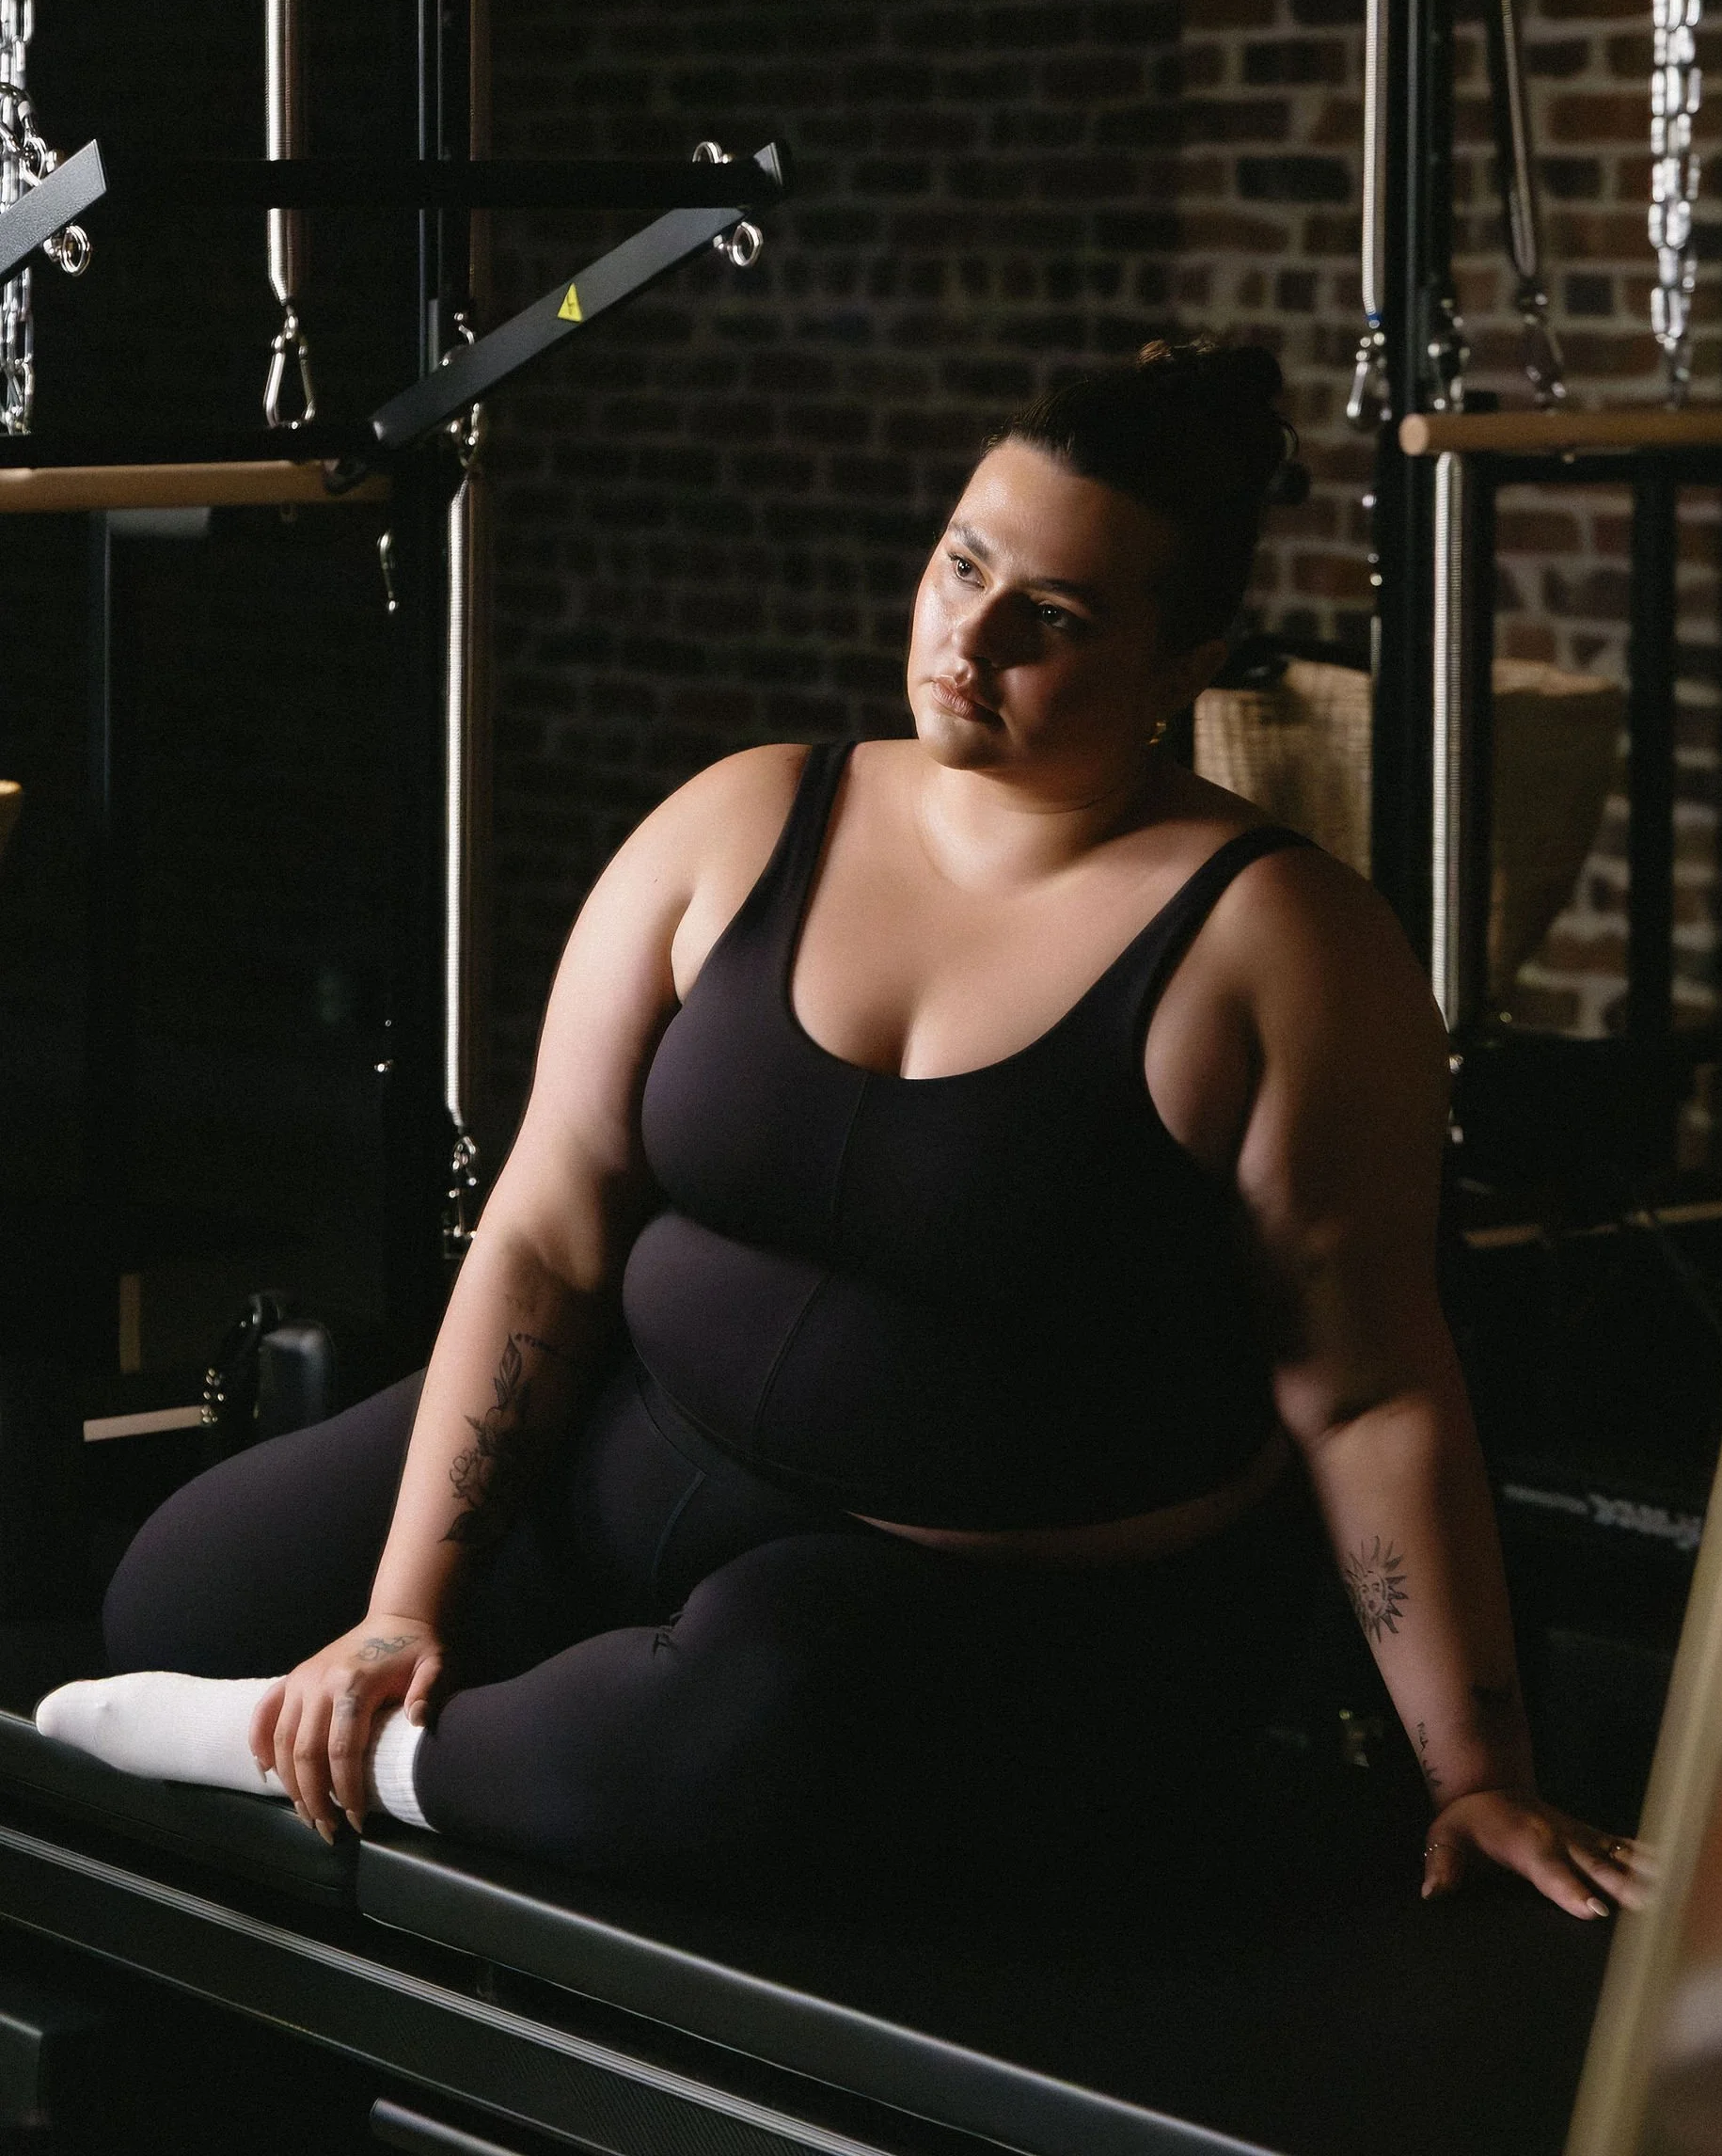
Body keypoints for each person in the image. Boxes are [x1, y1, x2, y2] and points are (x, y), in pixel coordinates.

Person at [41, 341, 1637, 1920]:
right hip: (644, 1452)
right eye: (962, 565)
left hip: (982, 1596)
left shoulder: (1282, 945)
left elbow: (1365, 1391)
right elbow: (546, 1226)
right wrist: (403, 1612)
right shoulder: (742, 820)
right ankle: (458, 1710)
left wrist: (1474, 1772)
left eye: (1053, 620)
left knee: (736, 1734)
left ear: (1186, 663)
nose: (969, 637)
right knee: (180, 1588)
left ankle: (348, 1763)